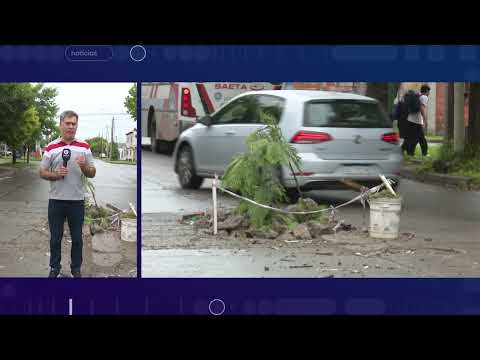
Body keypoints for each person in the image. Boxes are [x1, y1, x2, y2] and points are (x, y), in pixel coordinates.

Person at [39, 111, 96, 278]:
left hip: (77, 201)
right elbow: (42, 172)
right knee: (55, 238)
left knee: (77, 239)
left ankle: (76, 268)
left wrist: (84, 166)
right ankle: (54, 268)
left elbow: (92, 172)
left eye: (74, 124)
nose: (71, 127)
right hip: (56, 201)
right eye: (68, 123)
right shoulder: (51, 147)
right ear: (61, 124)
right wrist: (56, 174)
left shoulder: (84, 147)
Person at [404, 84, 430, 156]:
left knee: (414, 137)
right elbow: (422, 108)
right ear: (427, 91)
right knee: (418, 138)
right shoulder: (424, 97)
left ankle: (407, 151)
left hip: (410, 119)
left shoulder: (418, 96)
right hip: (417, 121)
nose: (429, 93)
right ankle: (418, 153)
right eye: (428, 91)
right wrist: (425, 120)